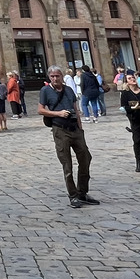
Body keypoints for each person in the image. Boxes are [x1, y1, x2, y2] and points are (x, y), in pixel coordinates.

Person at [38, 67, 96, 208]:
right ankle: (73, 195)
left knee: (85, 158)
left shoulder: (69, 90)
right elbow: (40, 110)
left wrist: (80, 129)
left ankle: (82, 192)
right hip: (60, 129)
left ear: (62, 76)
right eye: (52, 76)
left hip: (74, 128)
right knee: (67, 163)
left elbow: (75, 109)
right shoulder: (45, 91)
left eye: (57, 75)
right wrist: (58, 114)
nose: (55, 78)